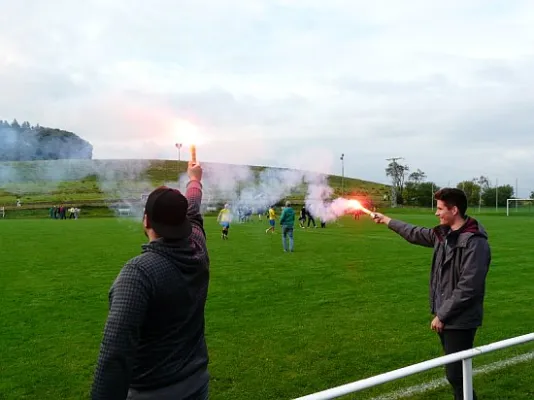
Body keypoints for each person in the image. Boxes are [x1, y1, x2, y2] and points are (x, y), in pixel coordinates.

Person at [91, 161, 210, 400]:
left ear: (146, 221)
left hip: (153, 393)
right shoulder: (198, 247)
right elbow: (194, 208)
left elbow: (115, 355)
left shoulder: (139, 273)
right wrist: (194, 180)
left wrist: (194, 179)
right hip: (196, 384)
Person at [372, 188, 490, 400]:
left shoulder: (475, 242)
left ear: (454, 210)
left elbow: (469, 287)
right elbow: (415, 233)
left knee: (457, 375)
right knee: (456, 375)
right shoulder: (443, 235)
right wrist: (387, 220)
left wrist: (442, 315)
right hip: (448, 316)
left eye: (440, 209)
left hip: (460, 319)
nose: (436, 213)